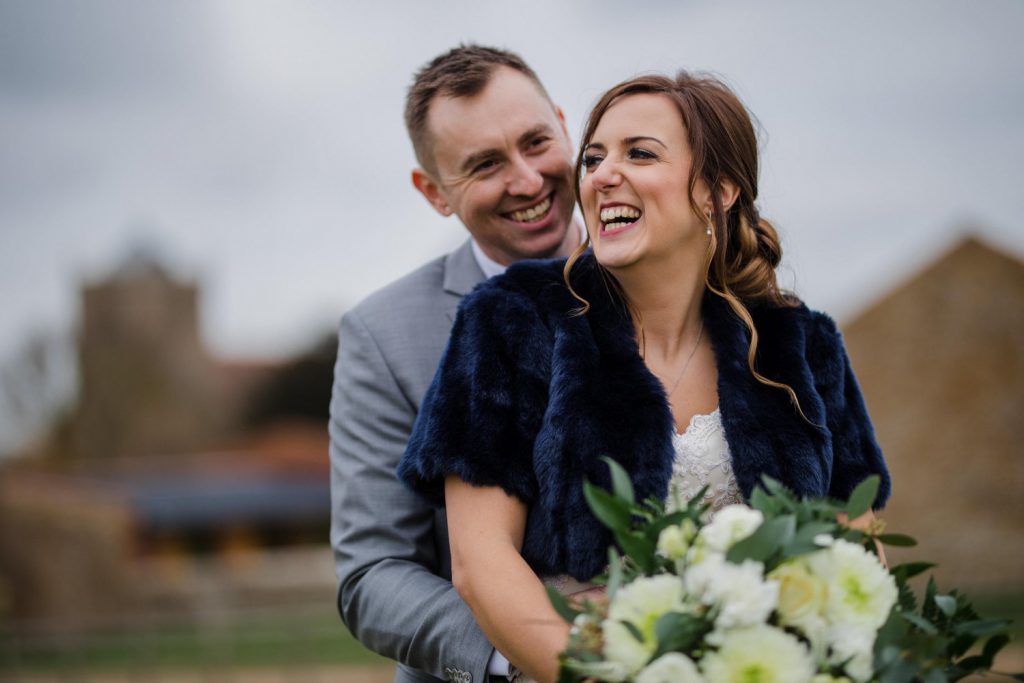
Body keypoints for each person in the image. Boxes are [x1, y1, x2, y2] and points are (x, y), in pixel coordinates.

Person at [398, 71, 891, 683]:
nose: (602, 175)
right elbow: (480, 563)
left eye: (640, 153)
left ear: (721, 188)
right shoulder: (512, 321)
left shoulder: (803, 345)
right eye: (594, 157)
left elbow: (858, 555)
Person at [329, 45, 582, 683]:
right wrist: (531, 654)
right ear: (435, 192)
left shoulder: (664, 277)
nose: (526, 181)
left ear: (562, 122)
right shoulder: (383, 337)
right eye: (486, 165)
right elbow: (372, 573)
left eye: (535, 141)